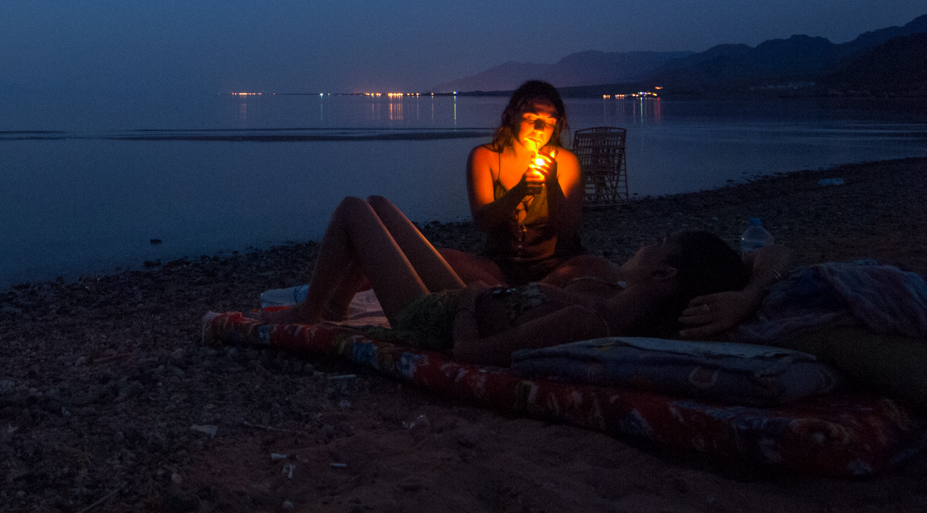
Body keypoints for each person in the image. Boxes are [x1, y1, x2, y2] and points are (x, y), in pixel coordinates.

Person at [263, 193, 747, 367]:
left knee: (353, 210)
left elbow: (469, 357)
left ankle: (312, 312)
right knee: (381, 205)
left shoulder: (587, 322)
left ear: (664, 273)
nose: (650, 240)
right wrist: (750, 292)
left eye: (662, 241)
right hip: (467, 299)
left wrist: (472, 301)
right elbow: (766, 255)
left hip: (436, 319)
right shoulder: (612, 290)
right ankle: (340, 304)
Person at [441, 80, 614, 288]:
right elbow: (483, 221)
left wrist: (551, 184)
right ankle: (530, 295)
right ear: (511, 116)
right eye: (530, 118)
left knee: (600, 267)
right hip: (499, 265)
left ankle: (513, 295)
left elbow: (570, 227)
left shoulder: (567, 162)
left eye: (548, 122)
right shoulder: (484, 156)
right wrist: (520, 191)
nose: (539, 128)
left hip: (554, 266)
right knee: (443, 260)